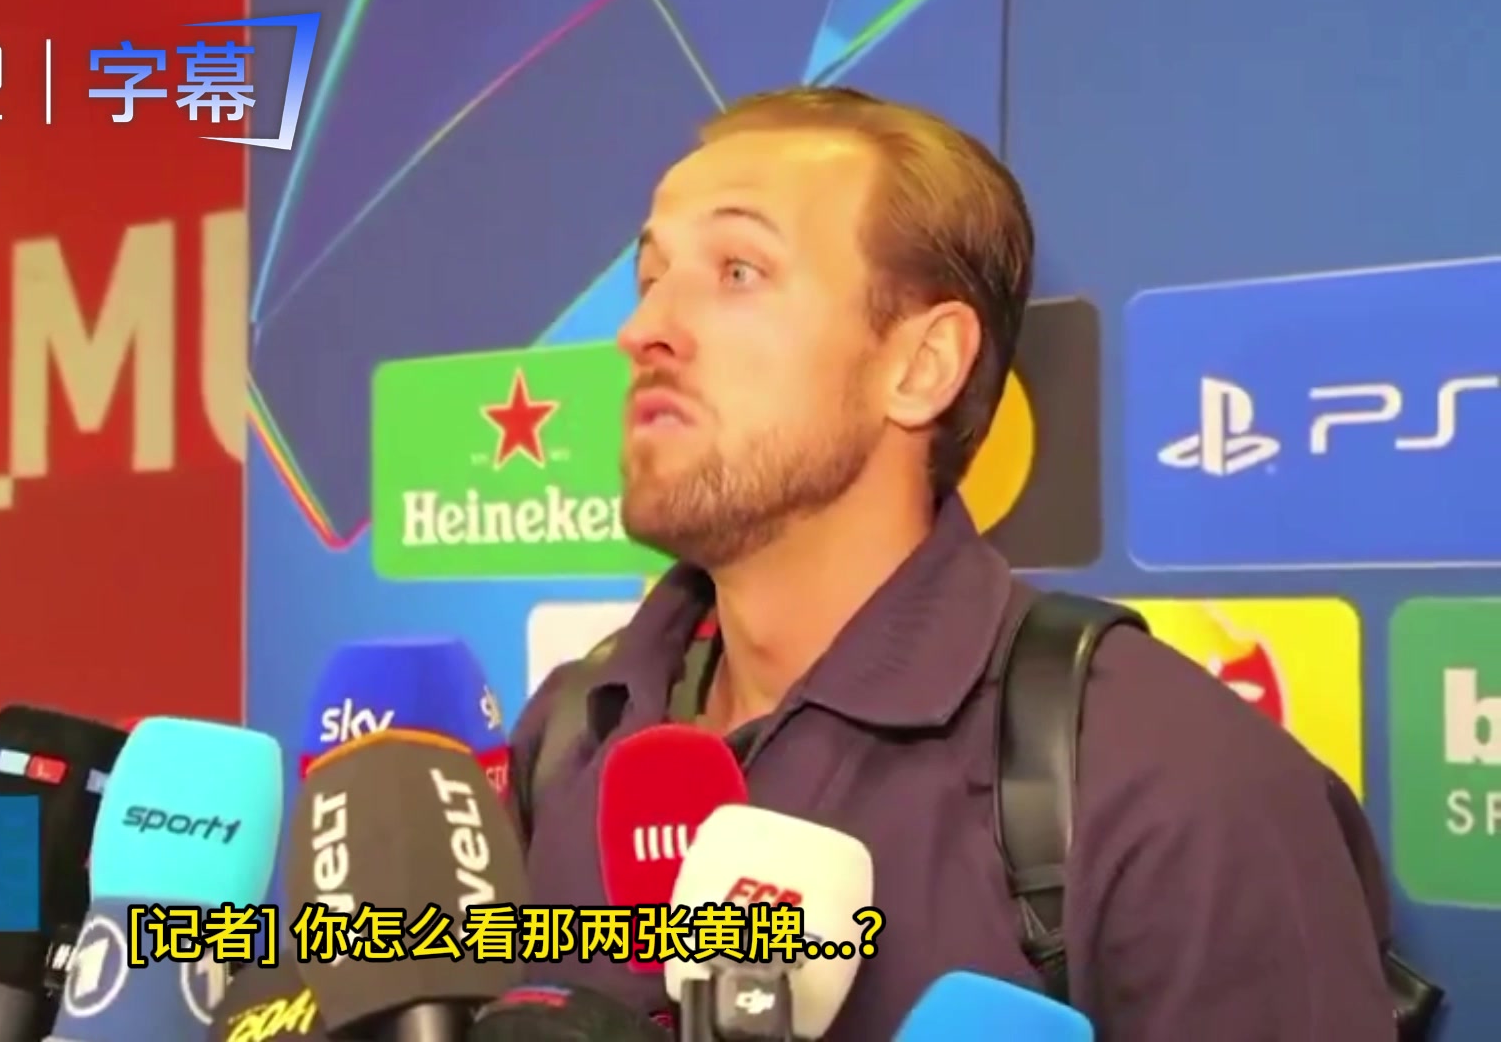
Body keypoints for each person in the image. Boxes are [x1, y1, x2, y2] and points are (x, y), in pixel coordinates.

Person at [510, 86, 1396, 1040]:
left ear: (923, 364)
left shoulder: (1178, 785)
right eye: (650, 277)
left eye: (737, 270)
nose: (643, 329)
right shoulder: (572, 729)